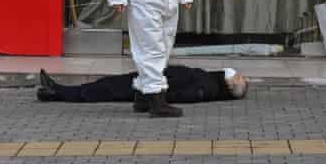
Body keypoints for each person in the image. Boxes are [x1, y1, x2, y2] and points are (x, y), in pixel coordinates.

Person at [35, 66, 248, 104]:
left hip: (149, 85)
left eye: (240, 77)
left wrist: (152, 93)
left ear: (231, 84)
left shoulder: (209, 88)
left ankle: (57, 92)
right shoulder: (212, 80)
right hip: (151, 77)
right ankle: (55, 92)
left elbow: (184, 94)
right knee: (106, 85)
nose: (240, 75)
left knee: (104, 90)